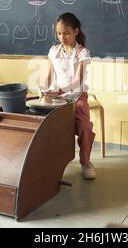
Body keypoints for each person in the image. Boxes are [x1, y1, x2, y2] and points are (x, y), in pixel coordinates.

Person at [43, 12, 96, 180]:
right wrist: (43, 89)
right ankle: (50, 162)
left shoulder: (82, 52)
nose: (62, 37)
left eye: (66, 33)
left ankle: (85, 162)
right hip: (58, 97)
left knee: (85, 127)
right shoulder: (53, 51)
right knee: (46, 125)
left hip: (77, 97)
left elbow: (77, 81)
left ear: (76, 31)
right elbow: (49, 75)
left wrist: (59, 91)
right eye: (59, 33)